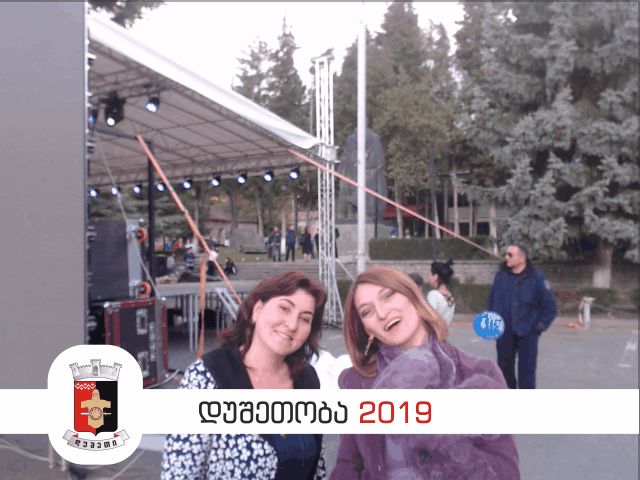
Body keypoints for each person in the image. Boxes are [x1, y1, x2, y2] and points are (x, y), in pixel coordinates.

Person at [331, 266, 520, 480]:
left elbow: (506, 474)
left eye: (388, 296)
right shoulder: (356, 383)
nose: (382, 313)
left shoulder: (479, 374)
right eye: (367, 311)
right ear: (366, 329)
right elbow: (349, 466)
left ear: (413, 295)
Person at [161, 271, 328, 479]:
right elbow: (179, 473)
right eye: (285, 308)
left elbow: (317, 468)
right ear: (257, 310)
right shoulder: (207, 378)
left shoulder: (307, 380)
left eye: (305, 319)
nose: (293, 324)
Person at [488, 243, 557, 389]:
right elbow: (492, 300)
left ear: (522, 258)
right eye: (505, 254)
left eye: (510, 255)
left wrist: (539, 326)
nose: (506, 257)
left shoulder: (536, 278)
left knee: (527, 372)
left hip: (528, 332)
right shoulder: (501, 276)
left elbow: (550, 307)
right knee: (504, 370)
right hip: (504, 332)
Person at [426, 259, 456, 326]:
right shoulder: (451, 297)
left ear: (435, 277)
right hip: (444, 332)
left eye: (430, 274)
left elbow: (429, 318)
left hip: (434, 332)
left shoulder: (433, 294)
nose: (428, 277)